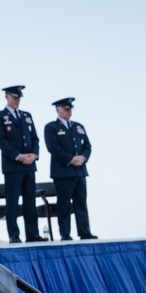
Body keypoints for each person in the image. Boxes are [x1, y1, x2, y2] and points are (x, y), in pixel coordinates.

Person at [0, 85, 45, 243]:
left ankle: (32, 233)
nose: (17, 100)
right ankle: (14, 234)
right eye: (14, 97)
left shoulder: (26, 116)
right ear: (7, 96)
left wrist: (34, 155)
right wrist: (18, 156)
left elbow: (34, 138)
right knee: (13, 201)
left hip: (29, 165)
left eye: (19, 98)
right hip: (13, 165)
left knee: (30, 201)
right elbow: (0, 140)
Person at [43, 97, 97, 241]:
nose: (69, 111)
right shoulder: (51, 127)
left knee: (81, 203)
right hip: (63, 172)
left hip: (79, 171)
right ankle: (65, 233)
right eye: (66, 109)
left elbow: (87, 146)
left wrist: (83, 158)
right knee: (64, 204)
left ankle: (84, 232)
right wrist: (70, 159)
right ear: (58, 109)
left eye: (70, 109)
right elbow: (53, 147)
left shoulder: (78, 126)